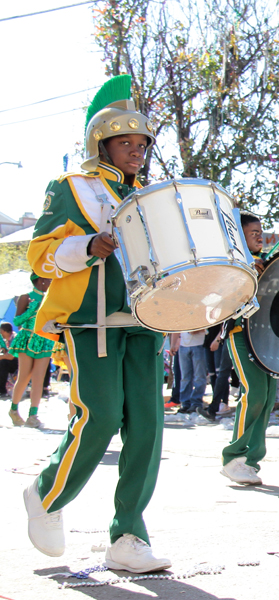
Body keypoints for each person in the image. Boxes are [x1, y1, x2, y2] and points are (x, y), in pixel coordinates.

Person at [22, 75, 171, 571]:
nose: (136, 152)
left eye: (141, 145)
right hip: (92, 321)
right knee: (101, 417)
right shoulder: (71, 188)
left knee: (147, 429)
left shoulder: (152, 195)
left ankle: (128, 535)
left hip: (145, 321)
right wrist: (86, 246)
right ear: (100, 144)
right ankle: (46, 494)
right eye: (125, 143)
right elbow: (40, 257)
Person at [219, 212, 279, 486]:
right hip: (240, 333)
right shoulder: (229, 262)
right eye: (253, 233)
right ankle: (233, 457)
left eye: (260, 232)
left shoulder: (266, 262)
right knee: (253, 393)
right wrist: (244, 269)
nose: (259, 237)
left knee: (266, 398)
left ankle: (251, 461)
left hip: (265, 337)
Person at [7, 276, 55, 428]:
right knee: (24, 376)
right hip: (27, 338)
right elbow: (17, 321)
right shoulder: (26, 297)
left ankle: (33, 416)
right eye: (49, 280)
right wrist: (32, 310)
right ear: (41, 280)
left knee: (38, 379)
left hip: (45, 340)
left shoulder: (52, 298)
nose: (51, 282)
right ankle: (13, 410)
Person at [0, 322, 18, 398]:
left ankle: (2, 390)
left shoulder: (14, 338)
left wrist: (1, 357)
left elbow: (11, 356)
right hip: (13, 361)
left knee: (3, 363)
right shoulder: (8, 339)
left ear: (3, 331)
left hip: (18, 362)